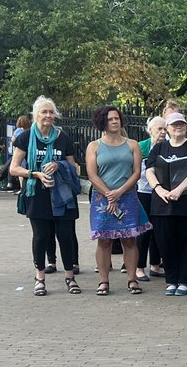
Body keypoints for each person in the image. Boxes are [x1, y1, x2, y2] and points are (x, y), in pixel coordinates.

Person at [10, 96, 81, 296]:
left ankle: (70, 277)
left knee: (65, 236)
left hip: (62, 195)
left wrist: (59, 165)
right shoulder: (25, 137)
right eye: (44, 112)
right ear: (35, 115)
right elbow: (14, 169)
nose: (48, 116)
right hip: (37, 194)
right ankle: (40, 278)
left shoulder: (62, 137)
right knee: (41, 236)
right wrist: (35, 173)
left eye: (51, 112)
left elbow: (74, 167)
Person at [85, 106, 150, 296]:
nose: (114, 122)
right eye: (110, 119)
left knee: (129, 239)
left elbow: (137, 172)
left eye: (117, 118)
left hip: (127, 197)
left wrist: (119, 192)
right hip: (101, 199)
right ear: (102, 123)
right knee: (104, 240)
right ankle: (103, 281)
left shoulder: (132, 145)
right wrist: (108, 194)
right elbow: (91, 174)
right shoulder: (94, 146)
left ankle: (132, 279)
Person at [145, 112, 187, 296]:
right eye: (174, 125)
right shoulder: (158, 149)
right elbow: (149, 170)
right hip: (162, 205)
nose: (178, 127)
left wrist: (179, 190)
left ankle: (185, 280)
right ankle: (171, 280)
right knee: (166, 243)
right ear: (167, 128)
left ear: (186, 126)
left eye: (181, 124)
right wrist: (159, 190)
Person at [135, 116, 167, 280]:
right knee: (144, 230)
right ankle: (139, 267)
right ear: (150, 130)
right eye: (159, 129)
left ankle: (155, 264)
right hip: (145, 192)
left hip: (163, 193)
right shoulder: (142, 147)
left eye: (164, 129)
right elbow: (135, 171)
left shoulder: (168, 146)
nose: (163, 132)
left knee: (158, 229)